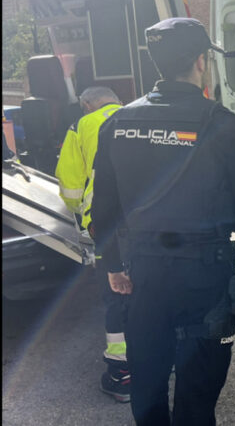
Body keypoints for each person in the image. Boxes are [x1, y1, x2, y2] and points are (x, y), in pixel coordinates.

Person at [91, 17, 235, 425]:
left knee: (146, 383)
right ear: (201, 61)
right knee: (197, 393)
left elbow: (103, 210)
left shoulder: (118, 123)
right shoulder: (223, 125)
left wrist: (113, 265)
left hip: (145, 274)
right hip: (206, 276)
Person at [54, 86, 131, 401]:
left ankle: (122, 374)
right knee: (154, 290)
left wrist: (81, 217)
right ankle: (161, 359)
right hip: (151, 222)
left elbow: (70, 182)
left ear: (86, 104)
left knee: (117, 294)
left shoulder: (81, 125)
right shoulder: (140, 114)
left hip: (108, 226)